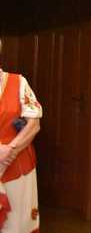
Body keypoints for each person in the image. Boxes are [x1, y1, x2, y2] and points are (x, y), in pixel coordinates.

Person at [0, 38, 42, 232]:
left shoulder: (18, 81)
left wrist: (9, 150)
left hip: (17, 165)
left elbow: (34, 124)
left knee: (17, 225)